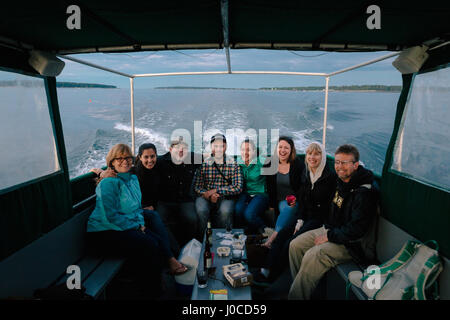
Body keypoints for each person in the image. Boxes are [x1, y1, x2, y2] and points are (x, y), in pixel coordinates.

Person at [86, 144, 188, 297]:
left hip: (124, 225)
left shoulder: (132, 179)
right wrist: (137, 226)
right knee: (150, 244)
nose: (125, 161)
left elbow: (136, 208)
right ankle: (152, 292)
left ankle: (159, 280)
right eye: (119, 159)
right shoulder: (108, 183)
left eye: (127, 158)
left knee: (157, 240)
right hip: (104, 232)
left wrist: (139, 225)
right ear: (112, 162)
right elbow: (111, 216)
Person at [288, 144, 378, 300]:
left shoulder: (364, 193)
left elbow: (356, 230)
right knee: (295, 245)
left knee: (313, 254)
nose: (339, 167)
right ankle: (303, 288)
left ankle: (296, 296)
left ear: (355, 165)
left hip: (352, 244)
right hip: (332, 230)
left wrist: (329, 236)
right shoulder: (341, 182)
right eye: (337, 162)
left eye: (344, 163)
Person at [253, 142, 336, 284]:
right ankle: (266, 269)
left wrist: (304, 224)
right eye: (309, 154)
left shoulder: (329, 178)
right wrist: (299, 221)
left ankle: (273, 279)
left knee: (290, 243)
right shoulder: (308, 173)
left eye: (317, 154)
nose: (312, 157)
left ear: (323, 157)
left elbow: (326, 209)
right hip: (305, 216)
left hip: (319, 220)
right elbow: (303, 200)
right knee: (282, 235)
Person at [193, 133, 243, 234]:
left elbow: (238, 187)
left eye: (222, 146)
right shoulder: (204, 164)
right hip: (206, 196)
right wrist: (209, 195)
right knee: (201, 210)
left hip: (226, 196)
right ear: (211, 147)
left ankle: (225, 237)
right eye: (216, 146)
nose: (219, 149)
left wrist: (217, 191)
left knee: (226, 211)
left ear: (226, 147)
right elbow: (197, 186)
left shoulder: (233, 164)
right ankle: (203, 238)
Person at [157, 138, 201, 245]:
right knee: (160, 221)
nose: (181, 151)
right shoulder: (160, 162)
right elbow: (141, 165)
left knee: (192, 219)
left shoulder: (192, 158)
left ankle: (191, 247)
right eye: (177, 148)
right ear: (170, 149)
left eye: (184, 148)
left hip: (185, 200)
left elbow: (211, 157)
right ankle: (173, 249)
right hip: (165, 200)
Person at [263, 136, 305, 248]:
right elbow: (269, 186)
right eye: (280, 147)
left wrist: (297, 200)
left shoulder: (298, 164)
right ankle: (279, 238)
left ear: (291, 150)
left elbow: (302, 187)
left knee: (287, 209)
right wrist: (271, 205)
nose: (282, 150)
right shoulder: (269, 163)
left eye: (286, 148)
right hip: (278, 199)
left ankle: (272, 238)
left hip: (293, 200)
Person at [234, 138, 269, 234]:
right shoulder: (238, 162)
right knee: (237, 210)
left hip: (260, 194)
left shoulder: (261, 161)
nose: (245, 153)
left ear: (254, 151)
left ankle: (265, 229)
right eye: (242, 150)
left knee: (249, 214)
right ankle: (242, 233)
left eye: (248, 150)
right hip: (245, 194)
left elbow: (275, 163)